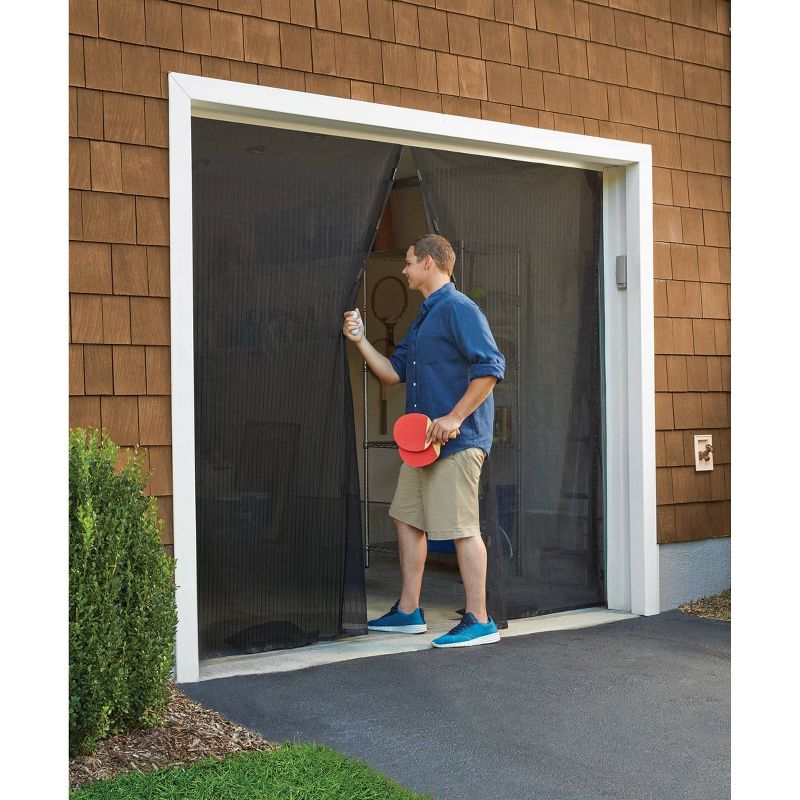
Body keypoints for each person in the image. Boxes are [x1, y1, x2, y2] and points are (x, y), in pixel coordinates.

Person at [342, 234, 505, 648]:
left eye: (409, 261)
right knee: (406, 517)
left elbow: (490, 369)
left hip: (459, 442)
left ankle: (480, 619)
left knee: (463, 528)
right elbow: (392, 373)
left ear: (430, 263)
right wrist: (360, 340)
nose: (404, 268)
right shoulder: (424, 318)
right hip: (422, 447)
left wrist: (453, 417)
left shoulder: (459, 309)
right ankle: (409, 611)